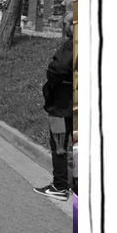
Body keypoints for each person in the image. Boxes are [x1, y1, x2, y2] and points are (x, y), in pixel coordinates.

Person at [34, 12, 75, 201]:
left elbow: (57, 70)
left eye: (65, 23)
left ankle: (59, 186)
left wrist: (50, 84)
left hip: (60, 105)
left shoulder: (70, 46)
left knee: (59, 145)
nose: (63, 26)